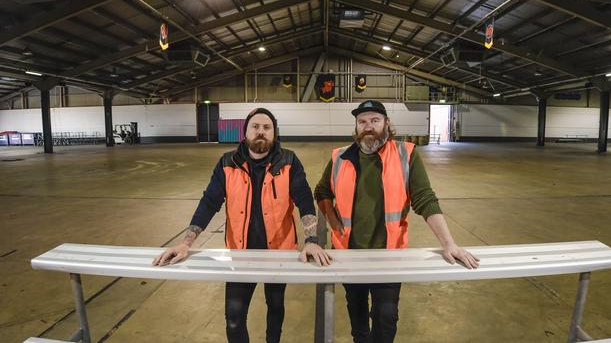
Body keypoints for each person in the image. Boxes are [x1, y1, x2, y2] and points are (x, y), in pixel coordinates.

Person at [153, 108, 331, 343]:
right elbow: (209, 202)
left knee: (275, 310)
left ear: (274, 133)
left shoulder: (289, 160)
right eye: (255, 127)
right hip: (240, 254)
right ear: (245, 132)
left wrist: (311, 241)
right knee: (234, 320)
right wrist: (187, 242)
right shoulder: (228, 162)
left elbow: (305, 200)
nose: (261, 132)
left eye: (267, 128)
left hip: (279, 252)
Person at [314, 100, 479, 343]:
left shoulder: (406, 154)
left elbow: (424, 199)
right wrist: (331, 216)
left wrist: (448, 243)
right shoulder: (340, 157)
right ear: (356, 127)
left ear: (386, 123)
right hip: (349, 253)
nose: (368, 127)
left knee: (386, 317)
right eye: (362, 122)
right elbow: (322, 191)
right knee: (357, 316)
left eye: (374, 121)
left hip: (389, 254)